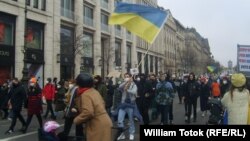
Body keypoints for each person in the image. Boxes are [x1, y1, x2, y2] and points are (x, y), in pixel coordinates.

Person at [73, 73, 113, 141]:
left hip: (97, 124)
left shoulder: (85, 94)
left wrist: (76, 120)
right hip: (104, 121)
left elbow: (88, 112)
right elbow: (103, 103)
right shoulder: (94, 91)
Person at [117, 73, 138, 140]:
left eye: (128, 77)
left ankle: (131, 133)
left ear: (130, 77)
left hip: (130, 104)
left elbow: (134, 92)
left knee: (131, 120)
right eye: (125, 77)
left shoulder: (134, 85)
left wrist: (127, 90)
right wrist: (125, 83)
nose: (126, 78)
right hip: (123, 104)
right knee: (120, 120)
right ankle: (122, 134)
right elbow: (119, 87)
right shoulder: (123, 84)